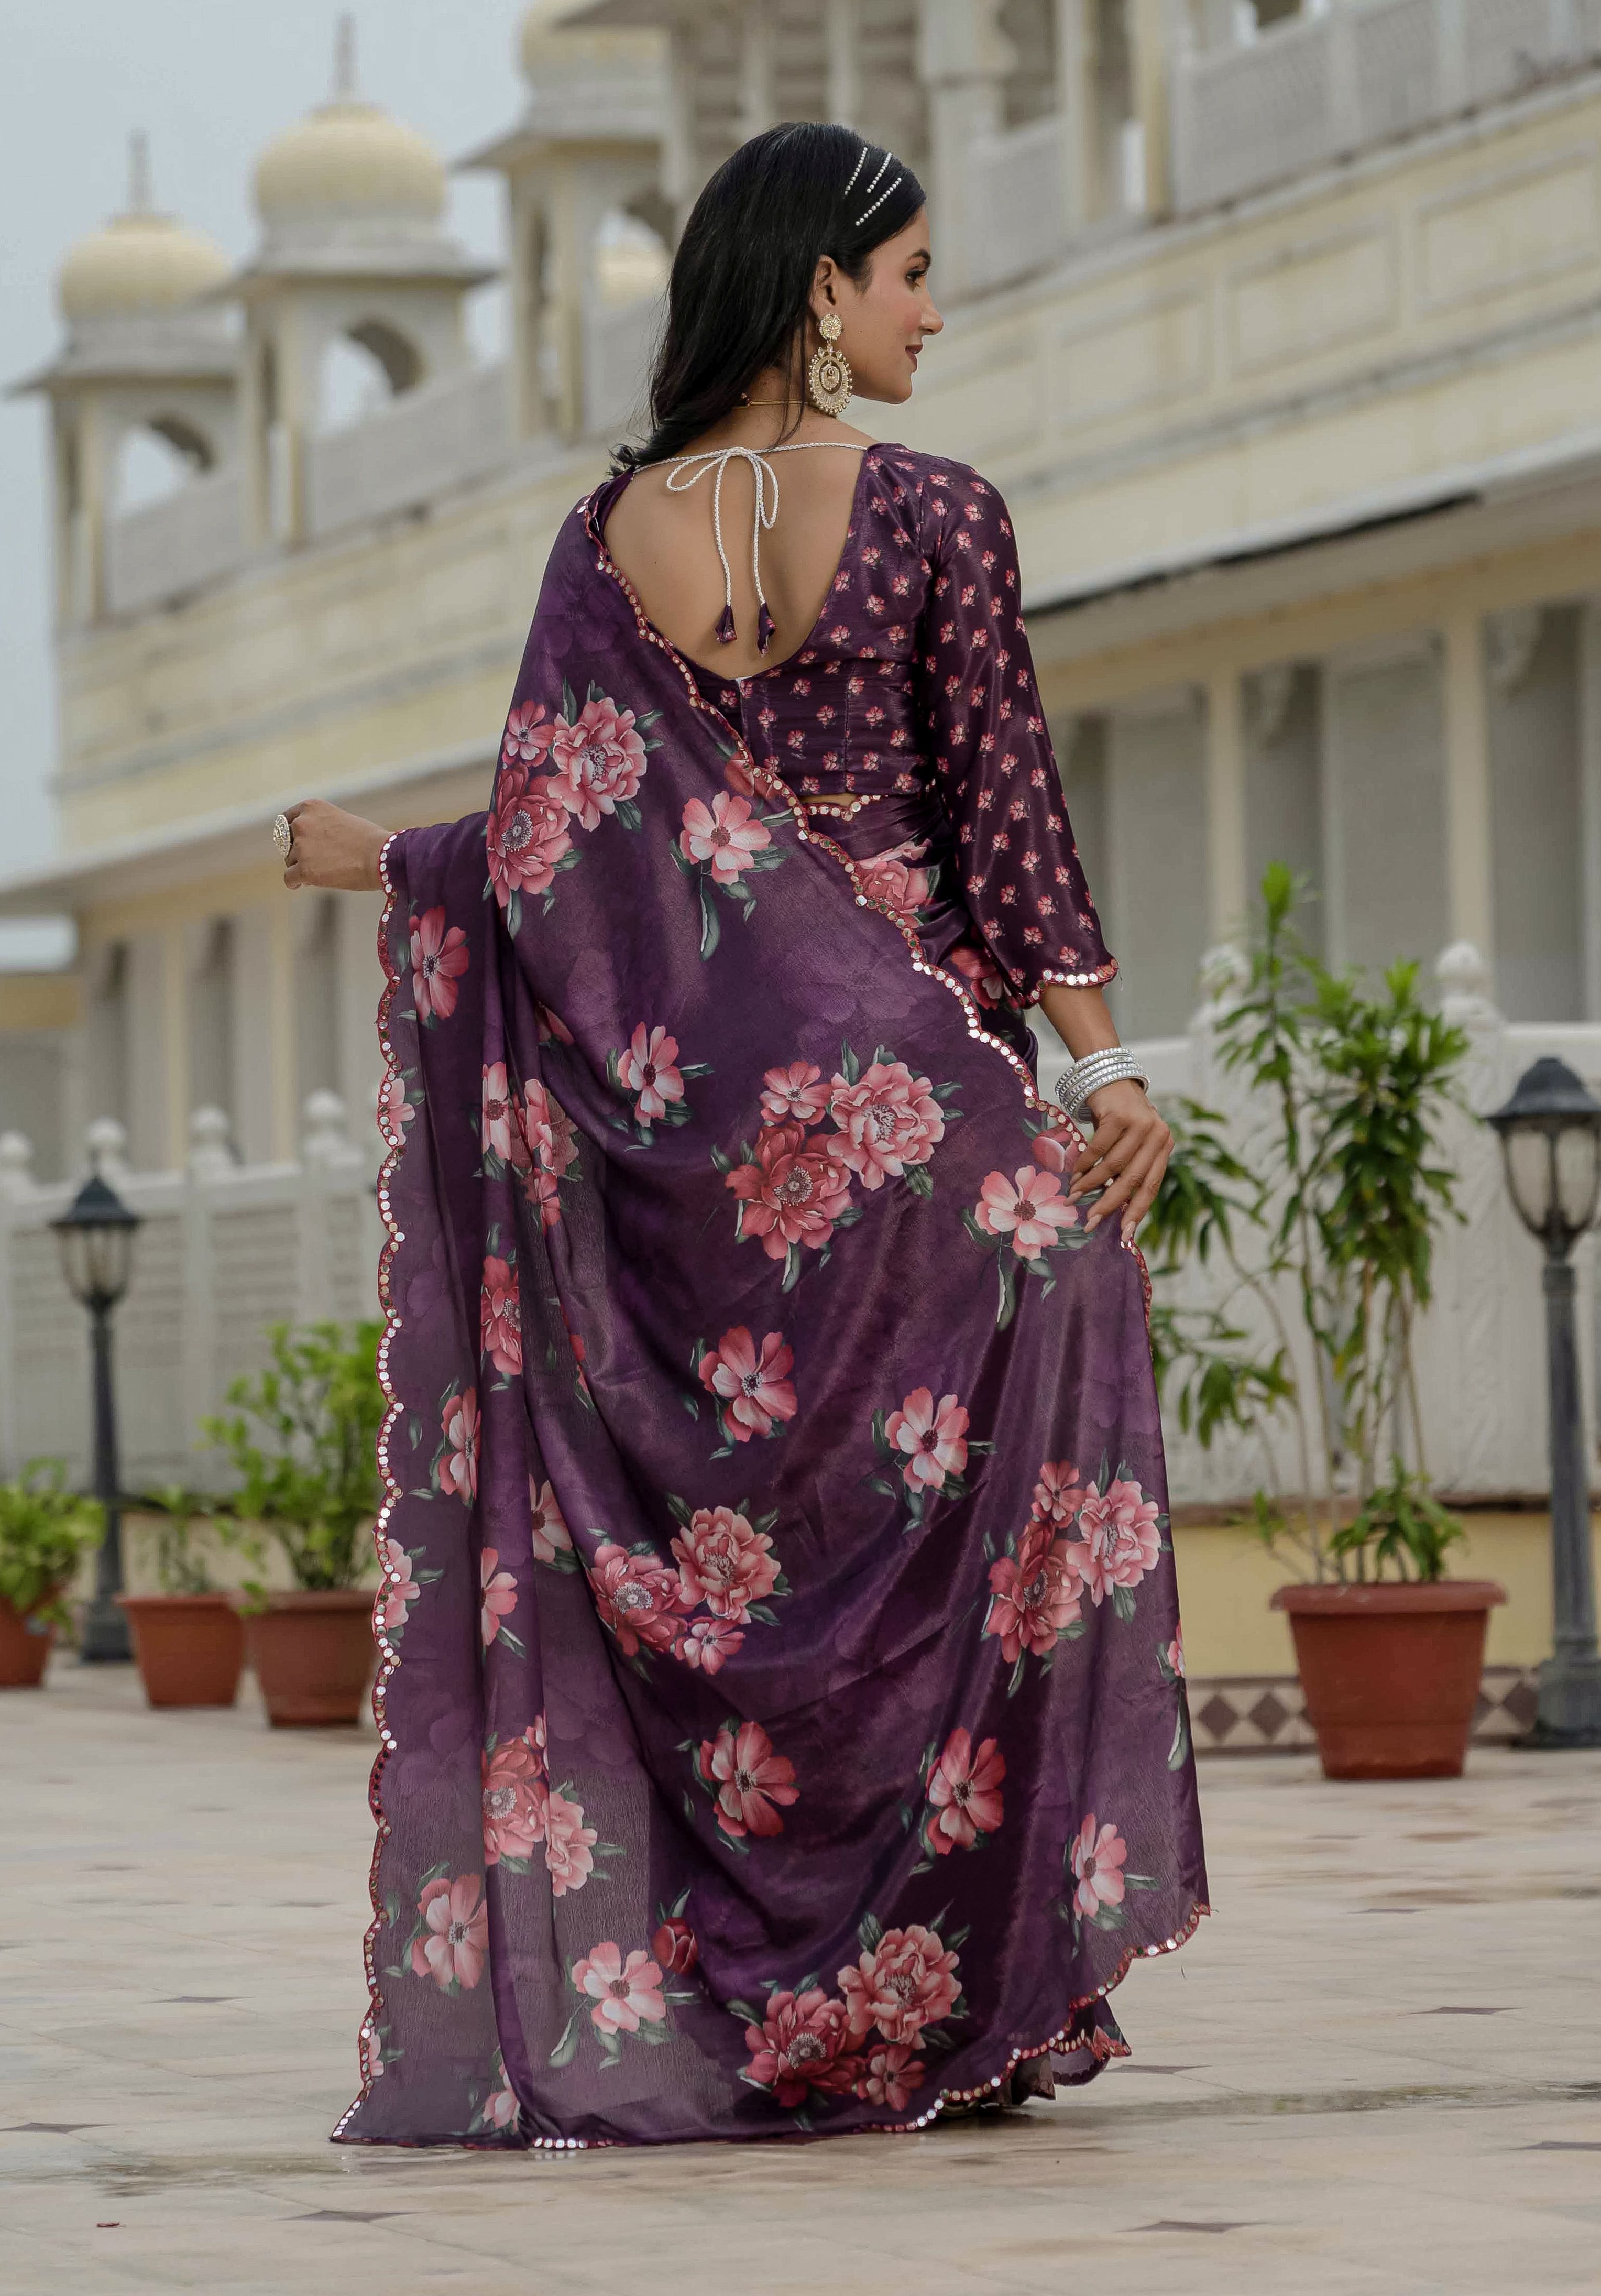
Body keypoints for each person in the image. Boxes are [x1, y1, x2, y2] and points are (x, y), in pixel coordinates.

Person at [283, 123, 1208, 2148]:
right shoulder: (936, 512)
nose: (933, 313)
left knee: (750, 1556)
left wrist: (393, 859)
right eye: (910, 274)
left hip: (713, 1152)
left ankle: (757, 1995)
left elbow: (563, 847)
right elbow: (1008, 823)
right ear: (819, 286)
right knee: (965, 1520)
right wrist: (1102, 1073)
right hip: (929, 1108)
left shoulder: (606, 537)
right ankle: (954, 1996)